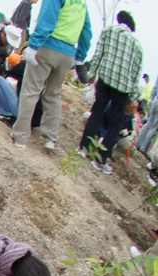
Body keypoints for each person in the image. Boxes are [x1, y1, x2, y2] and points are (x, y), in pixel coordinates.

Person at [10, 0, 91, 150]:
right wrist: (80, 56)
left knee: (31, 90)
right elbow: (87, 31)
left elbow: (47, 20)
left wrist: (33, 45)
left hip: (48, 47)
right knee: (53, 94)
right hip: (67, 54)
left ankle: (20, 136)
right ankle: (50, 139)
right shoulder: (82, 3)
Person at [76, 11, 143, 175]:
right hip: (123, 87)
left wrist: (92, 75)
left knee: (96, 113)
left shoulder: (109, 31)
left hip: (106, 79)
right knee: (115, 125)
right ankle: (99, 160)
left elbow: (99, 54)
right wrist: (134, 97)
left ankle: (83, 148)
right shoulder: (137, 45)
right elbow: (136, 74)